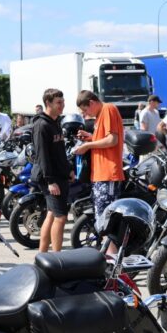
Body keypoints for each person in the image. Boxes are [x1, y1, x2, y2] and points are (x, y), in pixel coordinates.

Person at [73, 90, 125, 237]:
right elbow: (105, 138)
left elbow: (112, 140)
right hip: (101, 174)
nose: (86, 114)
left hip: (108, 174)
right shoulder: (100, 114)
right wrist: (91, 137)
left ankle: (110, 256)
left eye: (86, 110)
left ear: (91, 102)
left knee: (107, 221)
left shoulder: (108, 109)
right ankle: (108, 254)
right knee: (102, 219)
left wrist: (88, 146)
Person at [32, 88, 71, 252]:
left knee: (51, 214)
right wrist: (50, 181)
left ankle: (42, 254)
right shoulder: (42, 125)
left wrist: (68, 169)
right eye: (58, 102)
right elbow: (42, 156)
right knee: (61, 218)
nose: (62, 105)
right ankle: (57, 257)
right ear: (48, 103)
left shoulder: (55, 122)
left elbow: (59, 151)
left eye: (62, 102)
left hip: (59, 175)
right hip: (51, 178)